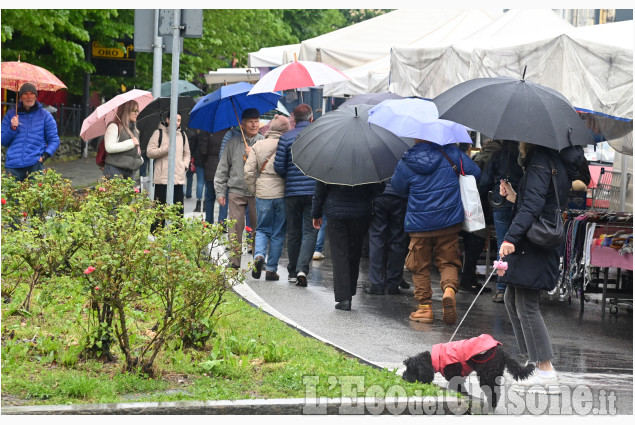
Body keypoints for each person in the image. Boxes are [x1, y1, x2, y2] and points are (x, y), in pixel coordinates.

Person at [497, 143, 586, 393]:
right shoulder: (551, 161)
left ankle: (544, 367)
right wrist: (514, 194)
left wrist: (510, 238)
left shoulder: (539, 161)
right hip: (536, 238)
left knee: (525, 303)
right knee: (511, 297)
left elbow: (533, 207)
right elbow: (540, 201)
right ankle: (534, 360)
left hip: (533, 242)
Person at [391, 138, 481, 325]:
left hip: (419, 223)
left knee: (419, 265)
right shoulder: (451, 153)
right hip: (449, 221)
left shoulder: (407, 160)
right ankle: (449, 290)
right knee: (448, 261)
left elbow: (398, 188)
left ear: (416, 137)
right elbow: (476, 173)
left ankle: (425, 309)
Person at [312, 181, 385, 310]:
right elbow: (378, 189)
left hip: (336, 211)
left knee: (339, 254)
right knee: (355, 252)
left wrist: (316, 213)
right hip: (360, 212)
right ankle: (350, 289)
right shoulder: (367, 162)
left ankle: (344, 297)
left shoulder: (329, 162)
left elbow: (320, 189)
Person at [274, 104, 318, 286]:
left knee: (293, 233)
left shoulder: (285, 138)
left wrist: (290, 177)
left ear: (293, 119)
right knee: (310, 231)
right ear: (311, 118)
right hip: (313, 192)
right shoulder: (318, 137)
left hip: (292, 192)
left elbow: (279, 167)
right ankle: (302, 269)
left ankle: (292, 271)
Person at [214, 108, 263, 269]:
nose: (254, 125)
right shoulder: (233, 143)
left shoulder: (263, 142)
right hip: (236, 191)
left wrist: (255, 155)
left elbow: (269, 167)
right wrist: (220, 192)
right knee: (235, 228)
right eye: (250, 121)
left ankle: (258, 259)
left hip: (257, 191)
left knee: (258, 227)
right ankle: (234, 262)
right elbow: (222, 168)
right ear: (242, 124)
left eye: (256, 121)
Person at [244, 115, 291, 281]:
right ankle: (271, 270)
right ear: (286, 130)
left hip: (263, 191)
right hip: (282, 193)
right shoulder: (289, 144)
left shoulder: (258, 144)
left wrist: (255, 189)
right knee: (278, 233)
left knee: (262, 229)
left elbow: (249, 172)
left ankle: (258, 256)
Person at [479, 140, 524, 302]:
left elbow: (484, 182)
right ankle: (516, 286)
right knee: (518, 244)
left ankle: (500, 288)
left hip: (500, 203)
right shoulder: (524, 156)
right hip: (520, 203)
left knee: (502, 245)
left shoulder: (497, 155)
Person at [1, 83, 60, 181]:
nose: (29, 97)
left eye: (32, 93)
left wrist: (44, 157)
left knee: (34, 196)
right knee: (10, 196)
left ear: (36, 97)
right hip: (13, 165)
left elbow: (54, 140)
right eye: (25, 94)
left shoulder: (45, 115)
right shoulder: (11, 114)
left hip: (34, 165)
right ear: (20, 97)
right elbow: (3, 141)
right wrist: (12, 128)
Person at [365, 179, 409, 295]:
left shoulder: (378, 160)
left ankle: (377, 284)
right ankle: (393, 284)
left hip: (380, 196)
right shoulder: (402, 159)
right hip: (400, 197)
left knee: (376, 239)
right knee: (398, 239)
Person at [146, 113, 191, 217]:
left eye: (179, 120)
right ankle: (157, 233)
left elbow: (187, 153)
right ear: (167, 119)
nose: (177, 122)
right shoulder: (158, 133)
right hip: (162, 179)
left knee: (178, 213)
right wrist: (166, 149)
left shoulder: (183, 135)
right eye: (175, 119)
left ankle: (176, 233)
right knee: (159, 212)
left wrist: (184, 165)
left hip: (178, 179)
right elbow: (150, 152)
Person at [102, 100, 144, 180]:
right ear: (126, 111)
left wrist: (140, 160)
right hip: (115, 169)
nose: (137, 113)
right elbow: (109, 147)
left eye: (138, 111)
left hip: (130, 171)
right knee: (116, 193)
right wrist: (131, 143)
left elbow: (136, 150)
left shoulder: (133, 129)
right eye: (134, 111)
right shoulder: (114, 126)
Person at [197, 128, 227, 225]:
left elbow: (203, 151)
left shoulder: (208, 132)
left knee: (210, 197)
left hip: (210, 166)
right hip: (225, 168)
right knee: (223, 196)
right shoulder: (228, 133)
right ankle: (222, 222)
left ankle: (209, 221)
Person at [185, 128, 207, 212]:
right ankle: (205, 204)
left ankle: (198, 203)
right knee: (207, 183)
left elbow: (191, 149)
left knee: (200, 182)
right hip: (208, 163)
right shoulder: (210, 136)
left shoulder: (196, 137)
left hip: (198, 162)